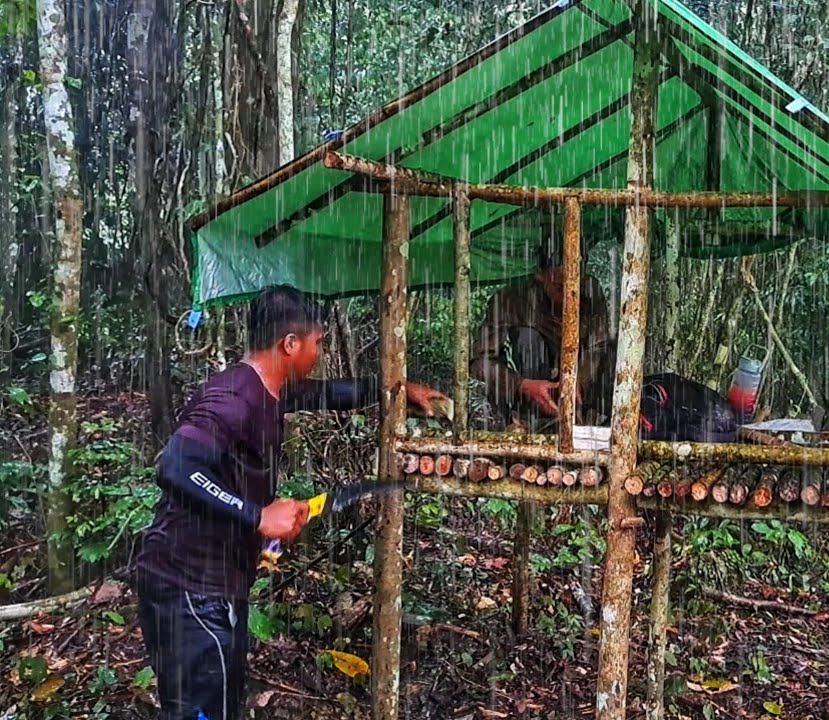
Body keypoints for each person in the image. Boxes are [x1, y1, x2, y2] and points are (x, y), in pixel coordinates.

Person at [131, 285, 448, 720]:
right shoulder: (233, 396)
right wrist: (256, 515)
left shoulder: (273, 388)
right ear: (291, 343)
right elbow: (176, 467)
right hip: (189, 586)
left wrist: (395, 389)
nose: (320, 352)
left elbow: (327, 393)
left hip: (213, 581)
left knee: (219, 704)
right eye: (318, 342)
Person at [471, 214, 615, 432]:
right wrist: (522, 385)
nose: (568, 296)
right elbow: (479, 363)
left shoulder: (590, 290)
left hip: (577, 392)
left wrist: (577, 381)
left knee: (614, 350)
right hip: (526, 390)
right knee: (529, 339)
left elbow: (599, 346)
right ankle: (527, 422)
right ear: (540, 276)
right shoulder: (511, 300)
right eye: (560, 287)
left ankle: (592, 423)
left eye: (574, 287)